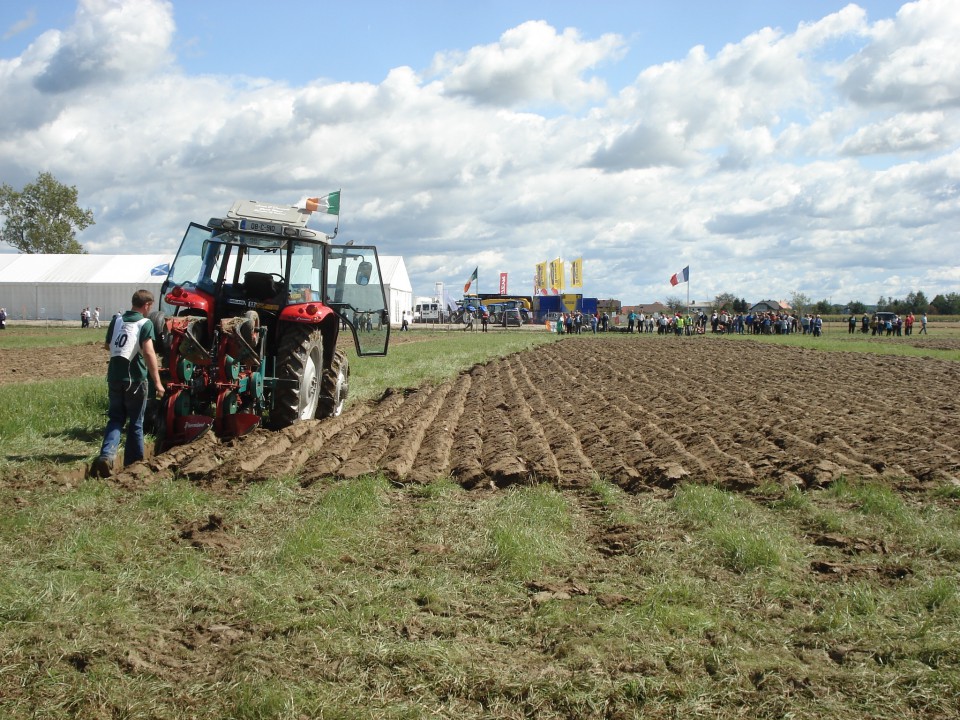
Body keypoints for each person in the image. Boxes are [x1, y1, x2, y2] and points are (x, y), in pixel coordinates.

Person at [90, 290, 164, 477]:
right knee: (136, 422)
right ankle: (135, 463)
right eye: (150, 307)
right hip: (136, 379)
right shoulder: (144, 323)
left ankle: (106, 455)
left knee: (115, 418)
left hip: (114, 377)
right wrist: (157, 382)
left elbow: (108, 345)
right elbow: (148, 352)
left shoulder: (117, 320)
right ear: (146, 305)